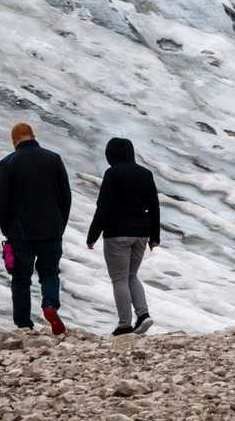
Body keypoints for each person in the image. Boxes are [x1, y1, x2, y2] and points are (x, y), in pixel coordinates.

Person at [0, 121, 71, 334]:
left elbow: (1, 201)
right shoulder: (54, 159)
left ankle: (24, 324)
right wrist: (60, 225)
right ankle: (50, 305)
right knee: (50, 273)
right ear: (33, 135)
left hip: (21, 232)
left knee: (21, 278)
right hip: (52, 229)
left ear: (14, 141)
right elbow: (66, 195)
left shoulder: (9, 163)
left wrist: (6, 229)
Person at [86, 137, 161, 336]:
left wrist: (93, 235)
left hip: (118, 234)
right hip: (141, 234)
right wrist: (155, 236)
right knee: (132, 276)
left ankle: (124, 325)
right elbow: (154, 206)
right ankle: (143, 315)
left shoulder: (112, 174)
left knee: (119, 279)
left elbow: (104, 207)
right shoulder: (146, 174)